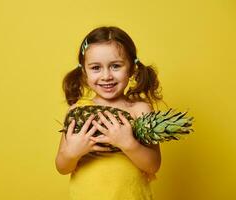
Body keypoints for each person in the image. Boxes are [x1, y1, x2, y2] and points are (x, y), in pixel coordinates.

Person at [55, 26, 163, 200]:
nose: (106, 76)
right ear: (84, 72)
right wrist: (72, 153)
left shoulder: (140, 110)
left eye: (115, 66)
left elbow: (153, 165)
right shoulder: (77, 112)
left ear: (131, 69)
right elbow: (62, 167)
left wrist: (128, 144)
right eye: (96, 68)